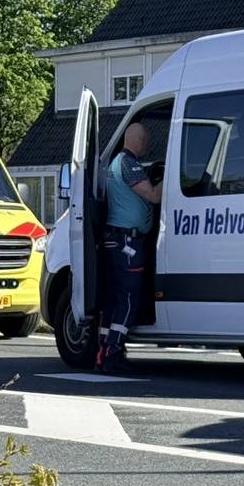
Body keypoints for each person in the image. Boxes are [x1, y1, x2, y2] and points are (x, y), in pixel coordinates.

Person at [96, 123, 162, 374]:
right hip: (127, 243)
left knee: (113, 300)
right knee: (128, 298)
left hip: (117, 240)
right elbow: (153, 195)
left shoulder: (115, 163)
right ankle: (114, 352)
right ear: (138, 140)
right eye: (145, 141)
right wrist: (173, 176)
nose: (146, 146)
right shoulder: (129, 164)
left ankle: (103, 351)